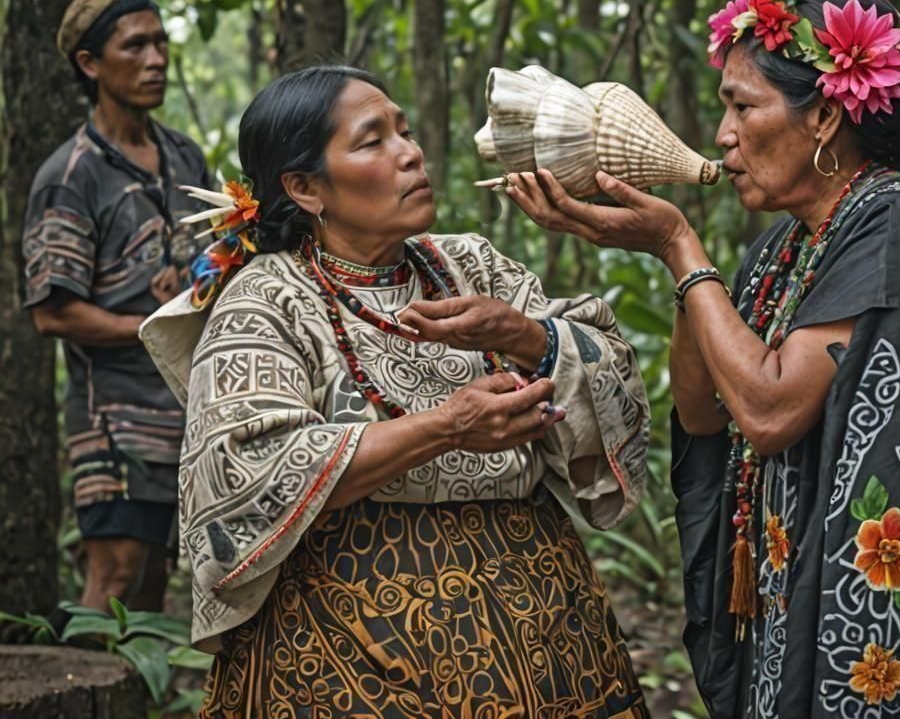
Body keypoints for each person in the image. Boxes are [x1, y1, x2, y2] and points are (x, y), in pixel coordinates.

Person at [506, 0, 900, 717]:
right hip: (795, 593)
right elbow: (703, 409)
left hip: (895, 621)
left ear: (822, 116)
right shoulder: (784, 249)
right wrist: (679, 261)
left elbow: (771, 411)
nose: (723, 133)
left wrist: (680, 247)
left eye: (742, 106)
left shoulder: (897, 223)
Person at [139, 65, 651, 718]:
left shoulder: (472, 266)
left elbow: (607, 366)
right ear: (304, 187)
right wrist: (447, 427)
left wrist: (526, 334)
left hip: (548, 624)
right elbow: (247, 467)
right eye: (372, 140)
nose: (411, 152)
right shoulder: (266, 302)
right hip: (346, 641)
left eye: (405, 132)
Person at [24, 0, 211, 612]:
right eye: (136, 46)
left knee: (157, 580)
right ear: (90, 63)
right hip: (115, 421)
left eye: (161, 42)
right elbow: (53, 311)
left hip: (186, 414)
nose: (157, 59)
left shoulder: (185, 158)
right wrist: (150, 325)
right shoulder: (71, 176)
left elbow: (214, 256)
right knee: (116, 578)